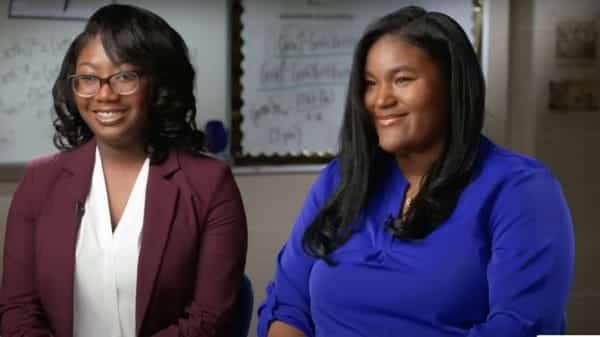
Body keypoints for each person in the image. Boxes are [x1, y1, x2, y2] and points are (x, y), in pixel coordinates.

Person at [257, 6, 574, 337]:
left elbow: (520, 327)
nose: (380, 99)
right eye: (370, 83)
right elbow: (289, 304)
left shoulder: (520, 190)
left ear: (452, 84)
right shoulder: (341, 179)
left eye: (402, 79)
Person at [0, 4, 247, 337]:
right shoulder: (39, 181)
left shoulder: (209, 184)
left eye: (124, 76)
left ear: (159, 84)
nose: (104, 94)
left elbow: (209, 319)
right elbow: (18, 312)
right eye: (88, 77)